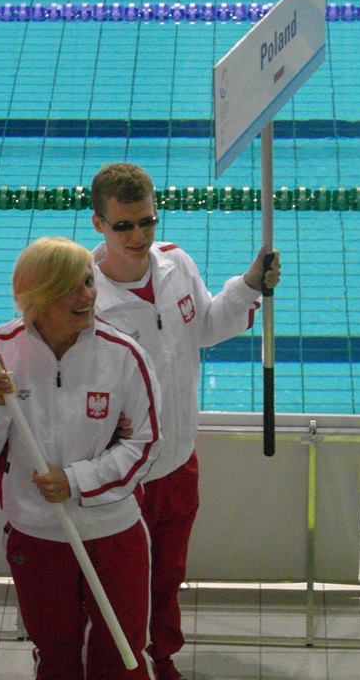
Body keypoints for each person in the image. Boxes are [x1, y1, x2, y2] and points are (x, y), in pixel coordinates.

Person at [90, 162, 281, 680]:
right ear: (98, 225)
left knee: (168, 576)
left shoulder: (176, 265)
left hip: (177, 463)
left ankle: (161, 657)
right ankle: (118, 666)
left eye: (147, 222)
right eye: (123, 226)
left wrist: (248, 285)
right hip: (122, 480)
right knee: (120, 585)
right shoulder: (85, 299)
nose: (138, 236)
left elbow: (206, 326)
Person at [0, 236, 163, 680]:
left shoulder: (124, 355)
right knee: (55, 653)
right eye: (72, 286)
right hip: (36, 534)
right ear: (39, 295)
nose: (88, 295)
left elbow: (145, 444)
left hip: (112, 530)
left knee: (123, 652)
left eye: (88, 282)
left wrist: (76, 480)